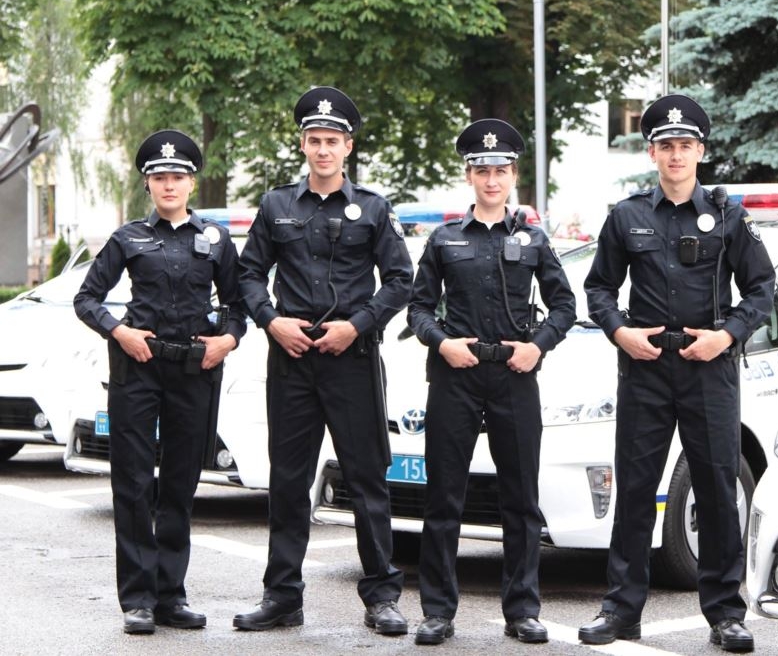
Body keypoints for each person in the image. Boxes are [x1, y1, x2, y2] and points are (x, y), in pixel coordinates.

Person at [579, 95, 775, 653]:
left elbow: (761, 288)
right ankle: (621, 611)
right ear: (652, 153)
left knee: (716, 490)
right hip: (644, 368)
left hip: (708, 367)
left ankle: (725, 614)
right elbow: (599, 287)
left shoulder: (729, 215)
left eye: (685, 145)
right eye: (666, 146)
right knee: (636, 490)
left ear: (700, 152)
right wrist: (620, 332)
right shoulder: (627, 216)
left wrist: (726, 335)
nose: (675, 155)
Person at [234, 86, 413, 635]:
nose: (323, 150)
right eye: (314, 140)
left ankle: (382, 596)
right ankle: (282, 596)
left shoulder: (374, 208)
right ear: (303, 145)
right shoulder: (276, 206)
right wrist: (271, 320)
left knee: (367, 479)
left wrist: (357, 325)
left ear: (348, 147)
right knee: (288, 480)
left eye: (332, 141)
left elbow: (401, 280)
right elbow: (247, 274)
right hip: (291, 358)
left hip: (351, 358)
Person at [407, 119, 577, 645]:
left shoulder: (533, 239)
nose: (491, 179)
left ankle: (522, 610)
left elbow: (565, 305)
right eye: (482, 171)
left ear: (513, 176)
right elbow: (417, 308)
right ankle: (438, 611)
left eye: (500, 170)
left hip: (514, 374)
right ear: (469, 176)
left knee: (521, 499)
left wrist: (537, 346)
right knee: (444, 498)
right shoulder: (444, 239)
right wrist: (442, 343)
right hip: (455, 375)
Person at [74, 130, 247, 634]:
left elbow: (238, 304)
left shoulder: (215, 239)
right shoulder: (127, 238)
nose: (169, 185)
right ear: (147, 185)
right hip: (138, 367)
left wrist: (228, 340)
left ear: (191, 183)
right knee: (132, 483)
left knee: (179, 482)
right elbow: (87, 298)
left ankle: (171, 595)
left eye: (177, 177)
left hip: (193, 371)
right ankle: (138, 600)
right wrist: (119, 331)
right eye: (159, 178)